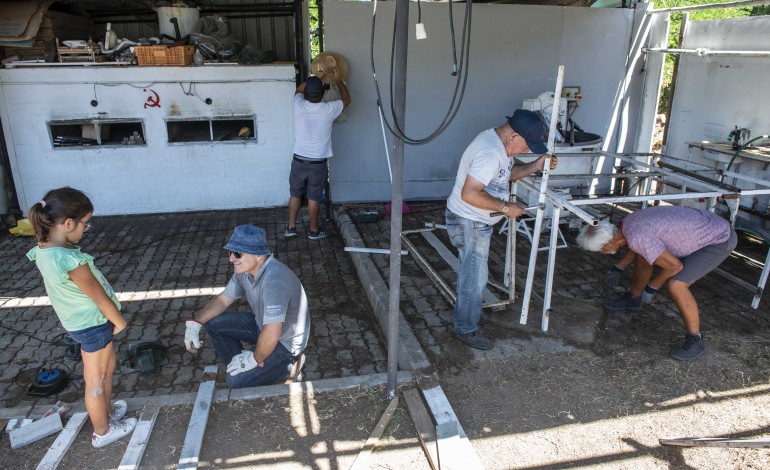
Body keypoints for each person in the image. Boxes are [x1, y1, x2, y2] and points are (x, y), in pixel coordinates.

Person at [27, 188, 136, 448]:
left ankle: (107, 412)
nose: (86, 229)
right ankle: (103, 431)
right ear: (68, 223)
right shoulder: (71, 260)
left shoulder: (44, 251)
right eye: (85, 224)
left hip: (81, 324)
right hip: (94, 324)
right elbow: (99, 298)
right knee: (96, 380)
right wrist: (119, 321)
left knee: (106, 370)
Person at [446, 109, 552, 350]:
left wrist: (535, 165)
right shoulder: (490, 152)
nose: (526, 150)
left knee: (474, 274)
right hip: (469, 220)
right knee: (474, 276)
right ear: (514, 135)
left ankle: (468, 311)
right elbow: (470, 193)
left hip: (473, 220)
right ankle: (465, 327)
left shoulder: (498, 144)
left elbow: (506, 175)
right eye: (527, 145)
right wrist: (506, 207)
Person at [576, 205, 737, 361]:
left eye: (600, 250)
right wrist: (619, 267)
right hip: (706, 224)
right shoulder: (627, 224)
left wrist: (652, 288)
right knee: (643, 256)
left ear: (607, 245)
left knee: (677, 285)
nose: (601, 253)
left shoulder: (636, 236)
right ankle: (633, 299)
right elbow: (639, 247)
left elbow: (675, 266)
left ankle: (696, 339)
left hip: (718, 238)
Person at [184, 224, 310, 388]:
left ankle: (285, 368)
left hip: (283, 343)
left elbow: (272, 332)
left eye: (237, 253)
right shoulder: (243, 272)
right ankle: (242, 366)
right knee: (213, 324)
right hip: (263, 325)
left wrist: (254, 359)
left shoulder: (275, 281)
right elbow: (223, 299)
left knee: (235, 382)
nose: (231, 259)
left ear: (258, 255)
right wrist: (195, 324)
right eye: (230, 252)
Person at [285, 69, 351, 240]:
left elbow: (297, 91)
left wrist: (315, 77)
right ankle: (313, 231)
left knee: (295, 194)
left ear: (307, 93)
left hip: (298, 160)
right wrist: (338, 81)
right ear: (323, 94)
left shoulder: (297, 105)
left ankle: (291, 228)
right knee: (313, 197)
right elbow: (347, 99)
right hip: (317, 164)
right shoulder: (328, 109)